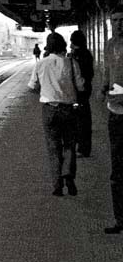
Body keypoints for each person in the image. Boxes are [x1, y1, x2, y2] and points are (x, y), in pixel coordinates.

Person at [28, 32, 84, 197]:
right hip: (68, 109)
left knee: (53, 147)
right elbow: (80, 86)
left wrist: (44, 89)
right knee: (69, 145)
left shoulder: (41, 64)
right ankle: (68, 173)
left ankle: (57, 185)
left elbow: (31, 87)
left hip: (49, 109)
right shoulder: (71, 63)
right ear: (63, 45)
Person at [102, 6, 123, 233]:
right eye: (115, 20)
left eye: (122, 20)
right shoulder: (109, 44)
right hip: (115, 113)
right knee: (117, 169)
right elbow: (108, 72)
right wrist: (104, 87)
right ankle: (120, 219)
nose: (119, 24)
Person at [69, 30, 94, 158]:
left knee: (80, 120)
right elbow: (91, 74)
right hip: (86, 90)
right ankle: (84, 147)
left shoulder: (76, 56)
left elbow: (74, 75)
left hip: (79, 91)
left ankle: (82, 148)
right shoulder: (87, 54)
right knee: (84, 119)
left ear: (73, 42)